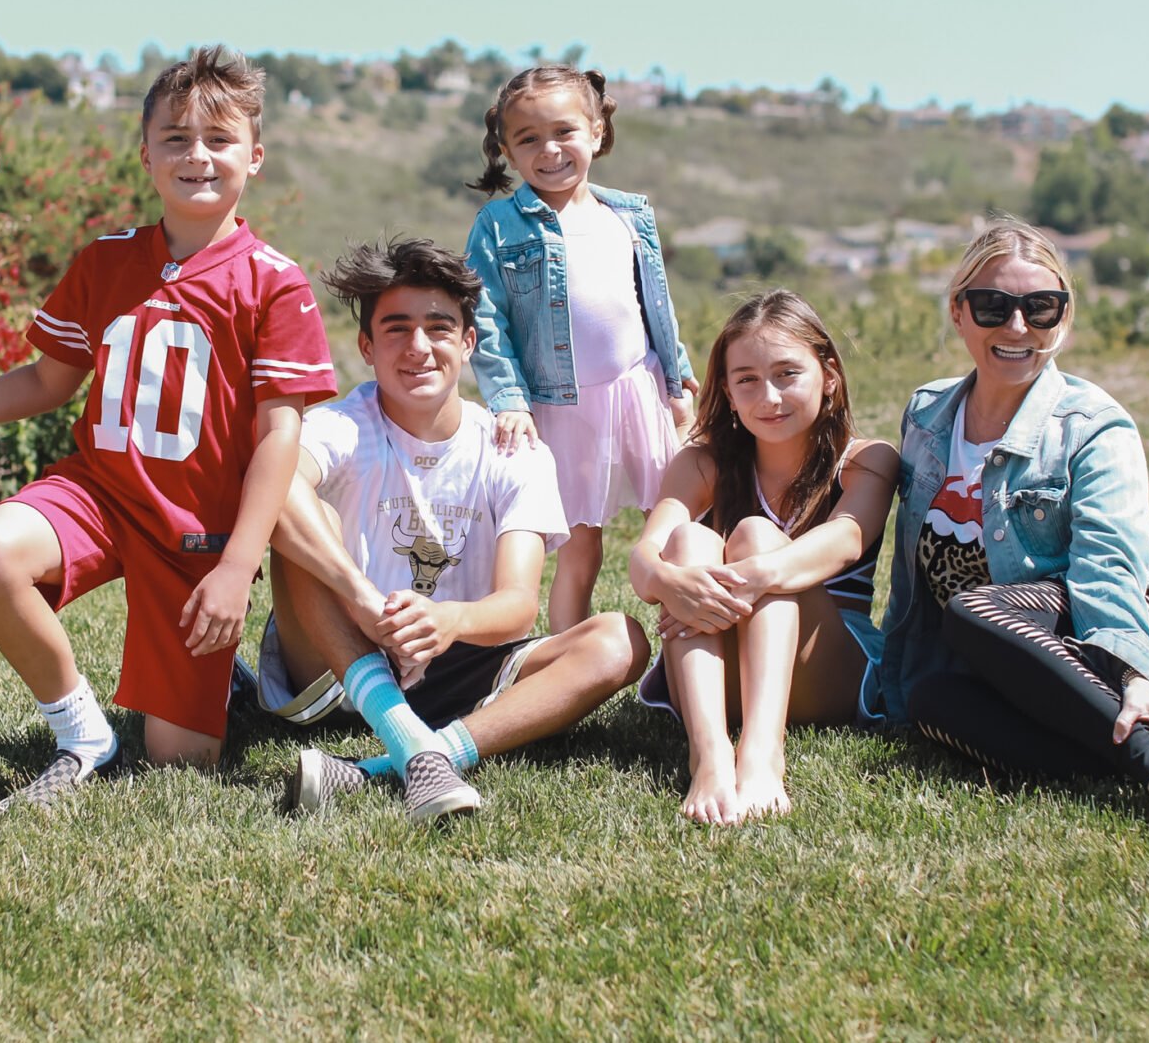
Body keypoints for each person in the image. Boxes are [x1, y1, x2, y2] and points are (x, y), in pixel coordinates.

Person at [0, 46, 336, 808]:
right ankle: (84, 735)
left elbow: (281, 436)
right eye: (175, 137)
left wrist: (236, 566)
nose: (197, 155)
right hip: (100, 497)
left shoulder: (273, 282)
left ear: (255, 157)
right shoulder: (106, 263)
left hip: (195, 531)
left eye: (219, 140)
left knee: (180, 767)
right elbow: (49, 382)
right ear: (145, 152)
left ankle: (225, 691)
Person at [878, 217, 1149, 855]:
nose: (1017, 327)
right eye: (994, 305)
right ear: (959, 312)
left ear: (1064, 318)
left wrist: (1134, 671)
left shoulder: (1094, 426)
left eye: (1039, 308)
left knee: (976, 611)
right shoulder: (926, 414)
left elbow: (1109, 567)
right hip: (1038, 655)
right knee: (932, 699)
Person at [257, 237, 651, 821]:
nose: (418, 347)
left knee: (621, 640)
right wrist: (366, 604)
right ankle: (407, 738)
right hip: (337, 659)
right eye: (396, 329)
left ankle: (397, 763)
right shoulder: (340, 424)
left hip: (457, 664)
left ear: (468, 343)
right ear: (366, 347)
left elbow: (517, 608)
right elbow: (278, 485)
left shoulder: (514, 451)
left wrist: (447, 621)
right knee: (296, 510)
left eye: (438, 328)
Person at [628, 290, 897, 825]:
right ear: (726, 391)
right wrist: (668, 580)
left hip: (827, 670)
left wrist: (747, 577)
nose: (767, 396)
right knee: (687, 545)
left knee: (754, 534)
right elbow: (642, 558)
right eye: (746, 379)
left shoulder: (867, 459)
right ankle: (708, 754)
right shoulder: (703, 461)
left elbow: (846, 537)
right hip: (717, 677)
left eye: (787, 374)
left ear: (830, 376)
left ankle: (761, 754)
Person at [463, 65, 697, 633]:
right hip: (560, 407)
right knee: (579, 544)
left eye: (564, 132)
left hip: (636, 390)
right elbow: (486, 321)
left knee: (676, 523)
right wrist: (510, 400)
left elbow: (652, 306)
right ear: (508, 150)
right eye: (529, 139)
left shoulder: (630, 216)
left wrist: (677, 379)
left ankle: (691, 649)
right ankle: (571, 652)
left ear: (596, 132)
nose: (549, 150)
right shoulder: (497, 226)